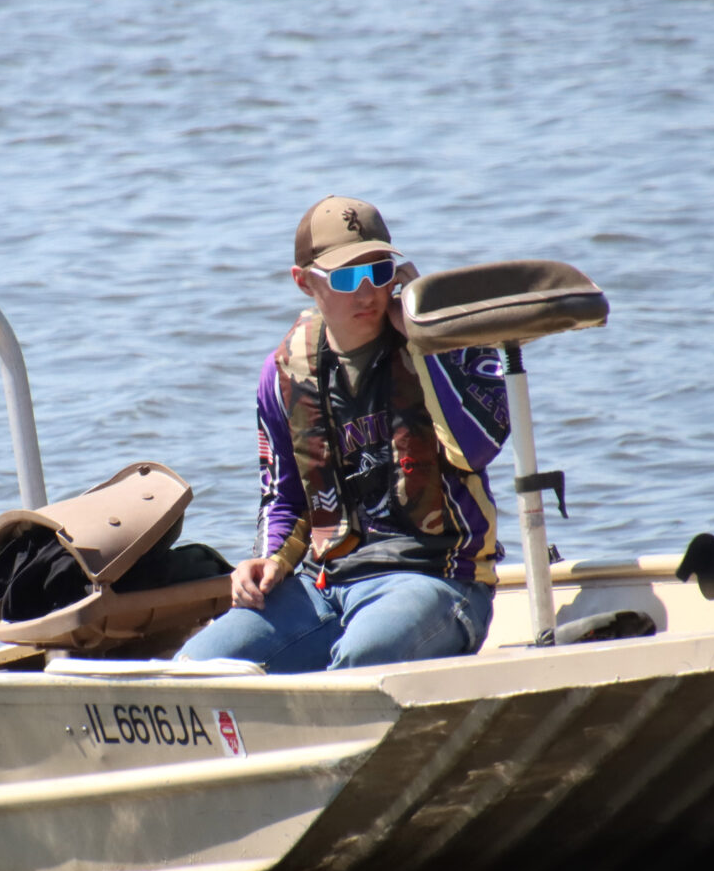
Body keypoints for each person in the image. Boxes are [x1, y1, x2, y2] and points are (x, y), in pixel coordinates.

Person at [176, 196, 510, 671]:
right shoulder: (282, 375)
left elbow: (478, 448)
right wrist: (268, 558)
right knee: (199, 663)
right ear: (304, 282)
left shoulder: (446, 340)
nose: (368, 293)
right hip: (326, 586)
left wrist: (425, 342)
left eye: (378, 272)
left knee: (366, 654)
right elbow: (286, 496)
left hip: (437, 581)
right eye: (347, 278)